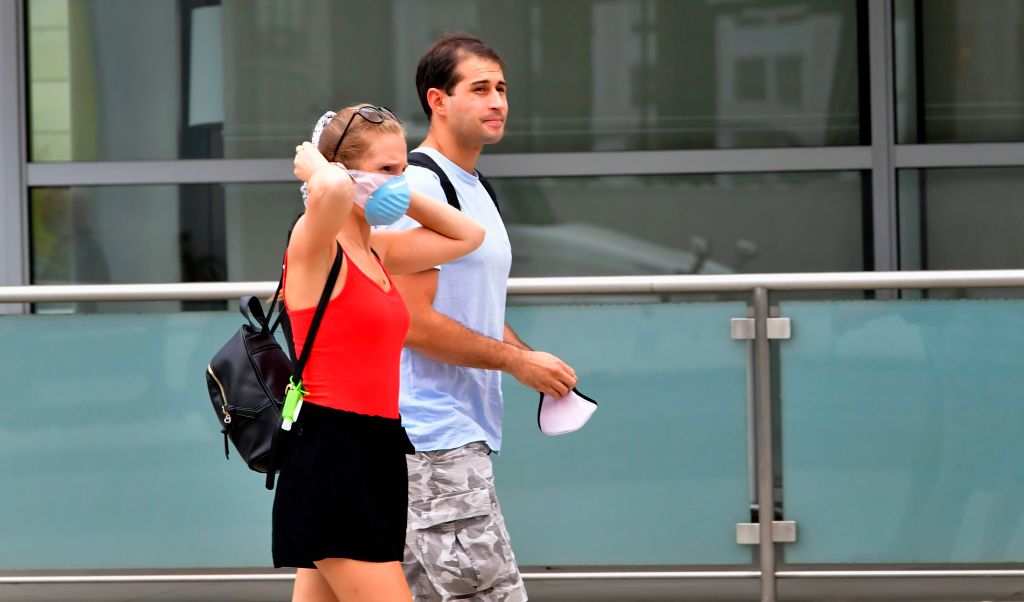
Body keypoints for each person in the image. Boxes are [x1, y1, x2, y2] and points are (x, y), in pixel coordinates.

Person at [385, 34, 578, 601]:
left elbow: (473, 311)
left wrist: (527, 360)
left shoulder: (473, 187)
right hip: (430, 435)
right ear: (437, 100)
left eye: (502, 89)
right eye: (480, 89)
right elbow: (413, 323)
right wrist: (519, 366)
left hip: (447, 438)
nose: (498, 102)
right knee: (488, 595)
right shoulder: (418, 187)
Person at [274, 103, 485, 602]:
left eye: (403, 167)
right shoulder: (314, 246)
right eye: (385, 170)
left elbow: (467, 235)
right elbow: (326, 193)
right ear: (344, 173)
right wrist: (319, 169)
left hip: (379, 447)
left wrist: (396, 191)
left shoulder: (377, 251)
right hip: (330, 452)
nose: (399, 180)